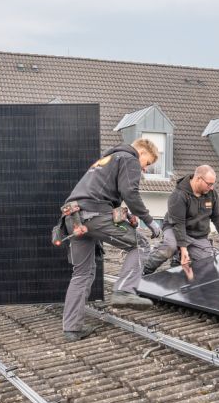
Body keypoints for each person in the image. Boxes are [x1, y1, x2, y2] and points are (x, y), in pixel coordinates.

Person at [60, 138, 162, 342]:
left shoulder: (107, 159)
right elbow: (130, 193)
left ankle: (72, 328)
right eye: (147, 163)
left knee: (83, 273)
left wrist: (126, 216)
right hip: (93, 214)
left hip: (73, 217)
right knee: (141, 244)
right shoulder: (129, 158)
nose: (145, 169)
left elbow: (103, 194)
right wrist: (150, 221)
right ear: (141, 152)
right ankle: (124, 290)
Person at [143, 164, 219, 274]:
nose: (211, 187)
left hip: (198, 234)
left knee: (207, 262)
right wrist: (183, 247)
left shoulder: (211, 194)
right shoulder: (179, 195)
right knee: (170, 247)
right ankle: (145, 270)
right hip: (175, 229)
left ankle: (178, 257)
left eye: (213, 184)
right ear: (198, 179)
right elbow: (178, 224)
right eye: (209, 184)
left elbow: (217, 215)